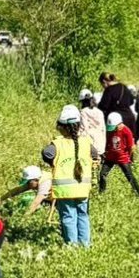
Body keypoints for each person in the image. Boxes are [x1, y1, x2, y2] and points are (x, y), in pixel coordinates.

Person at [43, 105, 96, 247]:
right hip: (82, 188)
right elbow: (95, 155)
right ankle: (85, 244)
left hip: (65, 190)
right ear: (79, 126)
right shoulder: (86, 142)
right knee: (83, 215)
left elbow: (46, 154)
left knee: (68, 216)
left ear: (62, 127)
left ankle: (72, 246)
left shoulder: (57, 144)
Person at [101, 112, 139, 197]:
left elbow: (131, 147)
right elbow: (108, 142)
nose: (113, 129)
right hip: (110, 157)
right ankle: (101, 193)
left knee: (130, 176)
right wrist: (105, 152)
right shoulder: (110, 130)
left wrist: (130, 158)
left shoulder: (126, 131)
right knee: (102, 174)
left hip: (122, 158)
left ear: (119, 123)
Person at [79, 89, 106, 158]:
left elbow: (84, 128)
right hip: (101, 142)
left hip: (90, 144)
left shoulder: (83, 112)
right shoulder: (99, 112)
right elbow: (103, 128)